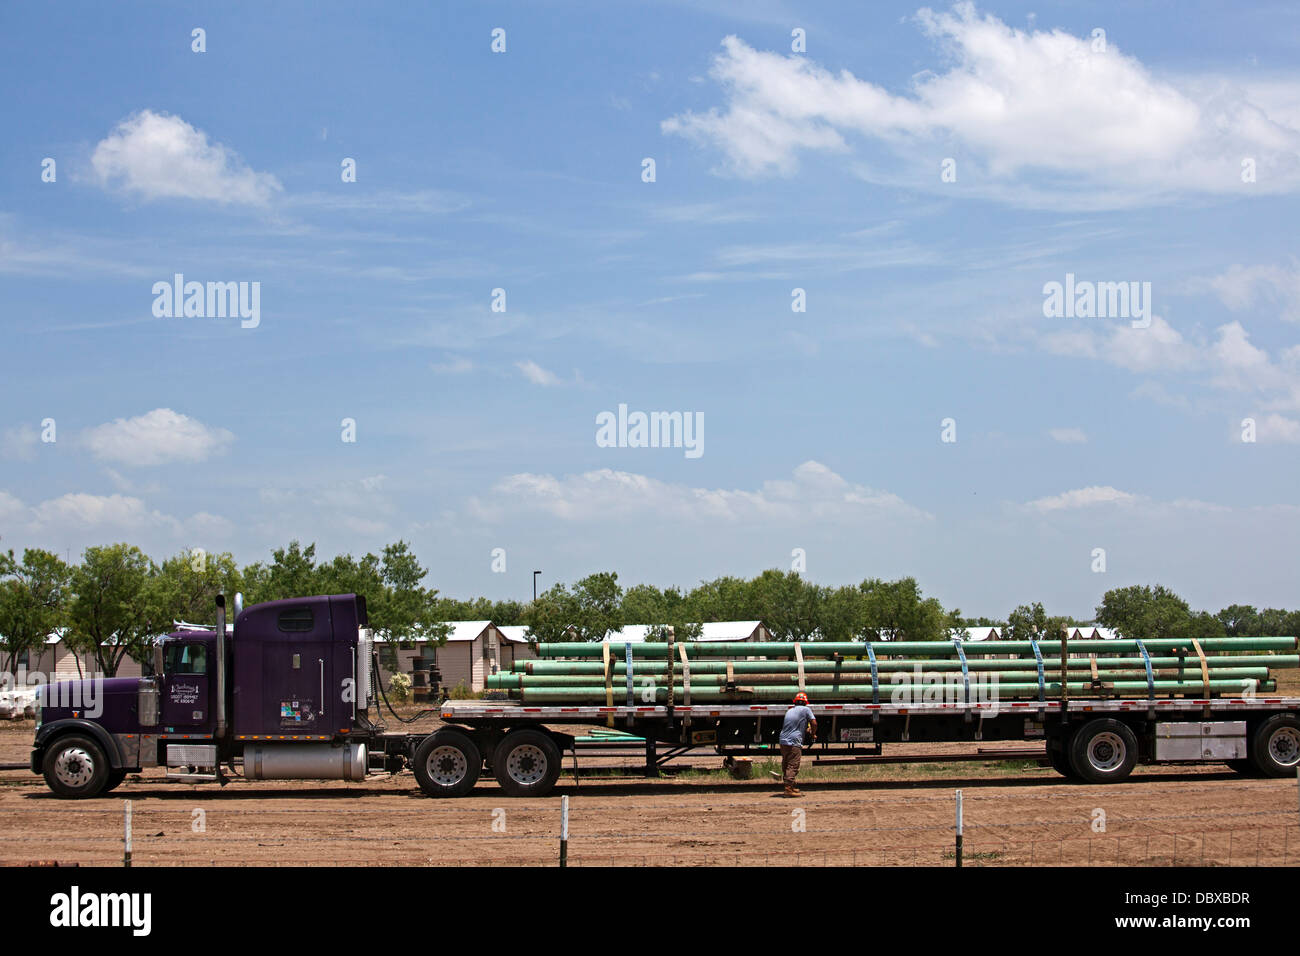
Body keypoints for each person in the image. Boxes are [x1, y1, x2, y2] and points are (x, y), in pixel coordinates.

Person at [778, 692, 817, 797]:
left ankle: (791, 786)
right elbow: (814, 723)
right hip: (794, 741)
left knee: (786, 763)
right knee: (793, 765)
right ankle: (788, 789)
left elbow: (794, 724)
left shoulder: (790, 710)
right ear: (805, 703)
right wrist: (813, 734)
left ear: (795, 702)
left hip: (783, 740)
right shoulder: (806, 710)